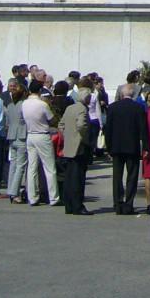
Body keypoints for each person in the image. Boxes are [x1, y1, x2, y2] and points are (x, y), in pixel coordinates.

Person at [104, 83, 149, 215]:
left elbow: (108, 129)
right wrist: (145, 147)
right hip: (132, 146)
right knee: (132, 176)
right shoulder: (138, 108)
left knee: (117, 176)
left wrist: (109, 146)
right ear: (132, 94)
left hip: (116, 147)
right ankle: (129, 204)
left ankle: (118, 203)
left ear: (122, 94)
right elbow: (143, 129)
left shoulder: (112, 108)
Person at [22, 80, 60, 206]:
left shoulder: (25, 104)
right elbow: (52, 120)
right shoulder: (42, 104)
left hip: (30, 134)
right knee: (49, 168)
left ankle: (32, 197)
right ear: (39, 91)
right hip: (42, 135)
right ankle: (53, 197)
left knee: (32, 168)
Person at [60, 87, 93, 216]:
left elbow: (61, 124)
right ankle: (77, 205)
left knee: (69, 177)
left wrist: (67, 136)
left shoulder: (69, 108)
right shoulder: (82, 109)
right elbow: (81, 125)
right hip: (79, 147)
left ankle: (68, 205)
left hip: (69, 146)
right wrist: (83, 139)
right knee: (78, 178)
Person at [6, 83, 28, 203]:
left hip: (12, 136)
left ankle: (11, 190)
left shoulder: (9, 106)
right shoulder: (23, 105)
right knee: (20, 166)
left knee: (13, 165)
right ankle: (14, 192)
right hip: (21, 135)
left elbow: (8, 122)